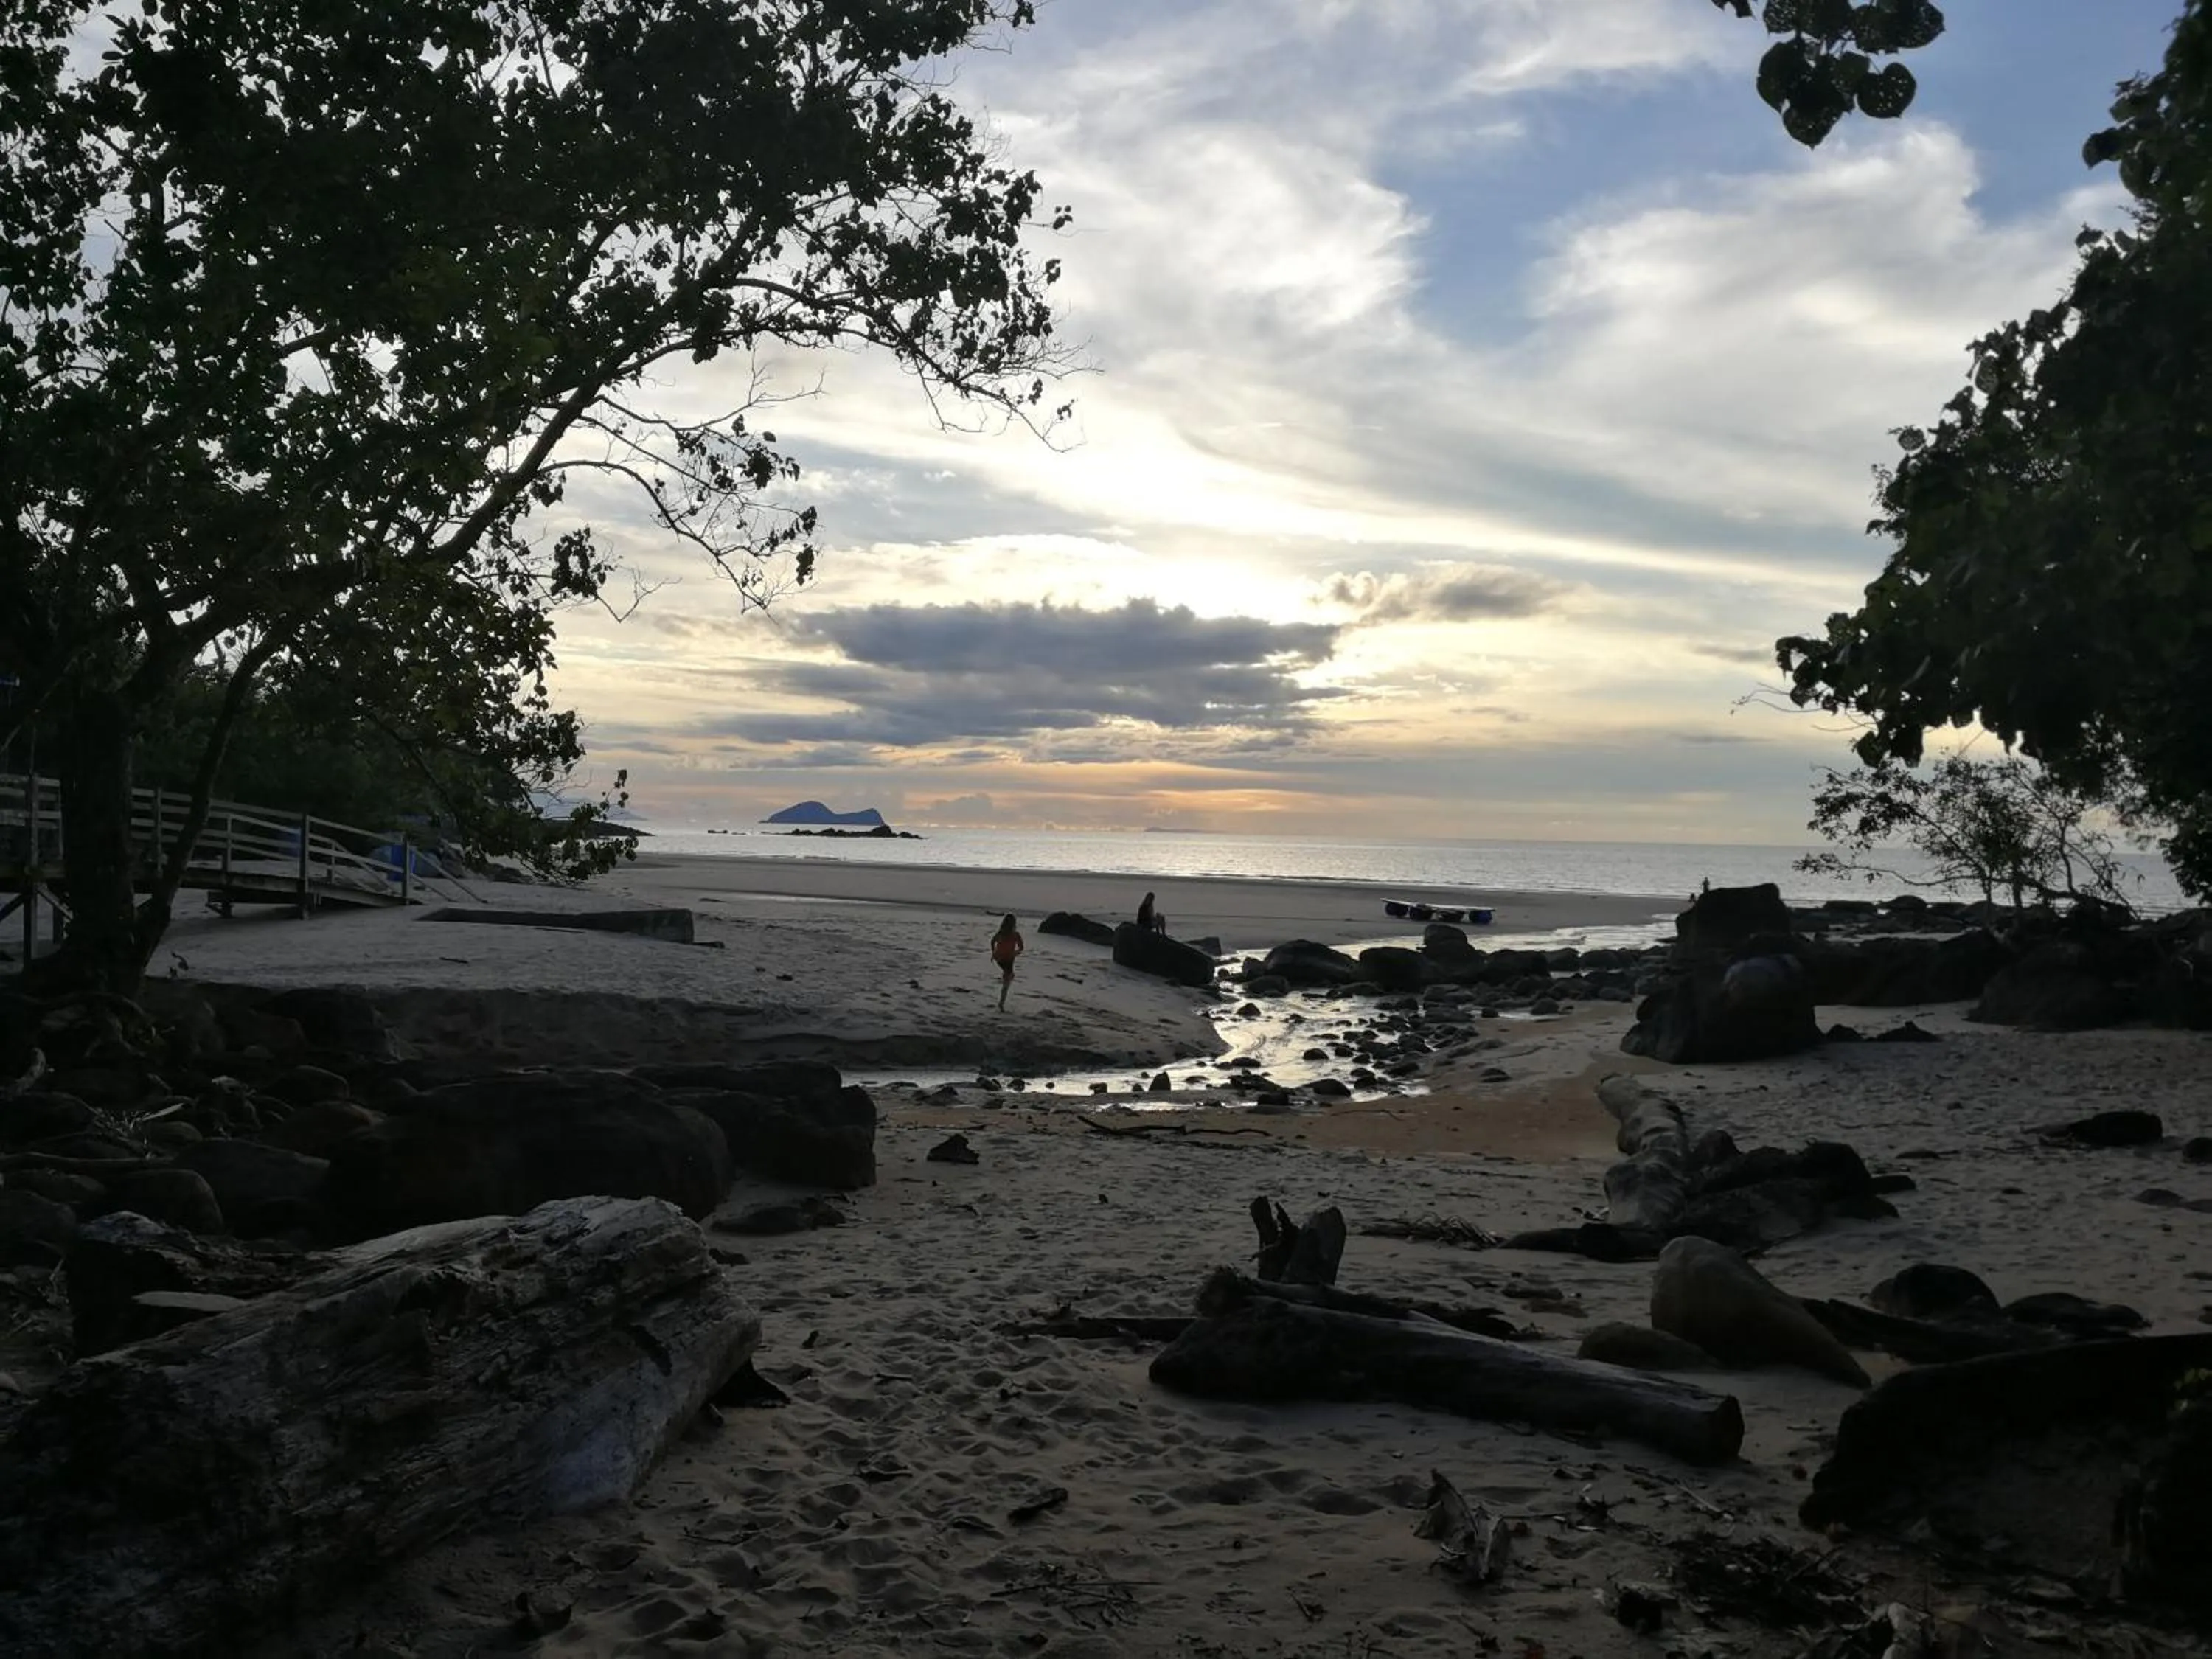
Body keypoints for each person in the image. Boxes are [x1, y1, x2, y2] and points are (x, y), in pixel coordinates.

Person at [990, 913, 1025, 1009]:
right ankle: (1001, 1003)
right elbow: (1021, 948)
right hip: (1007, 958)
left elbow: (992, 941)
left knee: (1008, 976)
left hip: (1000, 958)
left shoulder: (1001, 933)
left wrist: (993, 952)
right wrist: (1016, 952)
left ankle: (1002, 1001)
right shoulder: (1015, 935)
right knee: (1007, 980)